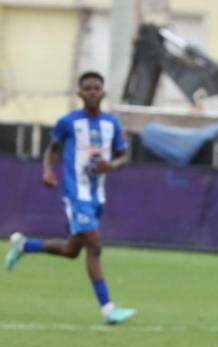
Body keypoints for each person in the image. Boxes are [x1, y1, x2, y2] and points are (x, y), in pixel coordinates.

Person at [5, 71, 136, 324]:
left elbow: (124, 155)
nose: (92, 92)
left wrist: (112, 165)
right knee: (95, 245)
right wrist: (47, 170)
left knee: (71, 250)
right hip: (76, 192)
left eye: (96, 88)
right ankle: (108, 309)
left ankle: (23, 245)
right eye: (87, 88)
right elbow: (52, 148)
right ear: (79, 93)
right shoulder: (68, 122)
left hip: (97, 194)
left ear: (103, 92)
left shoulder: (112, 124)